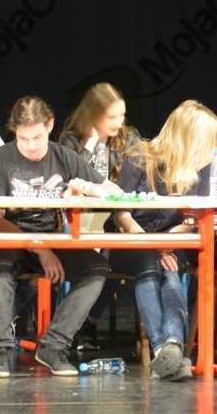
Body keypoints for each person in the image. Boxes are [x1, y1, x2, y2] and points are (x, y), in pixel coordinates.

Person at [0, 96, 110, 378]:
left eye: (37, 137)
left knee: (97, 267)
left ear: (50, 126)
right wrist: (38, 247)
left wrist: (84, 192)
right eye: (23, 138)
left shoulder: (64, 157)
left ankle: (54, 345)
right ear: (14, 132)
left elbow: (110, 190)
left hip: (51, 238)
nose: (31, 146)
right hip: (10, 239)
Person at [112, 100, 217, 381]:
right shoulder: (138, 158)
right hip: (131, 241)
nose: (213, 146)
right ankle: (166, 351)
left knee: (171, 271)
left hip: (173, 241)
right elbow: (120, 214)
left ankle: (170, 346)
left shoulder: (201, 168)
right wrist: (150, 243)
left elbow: (195, 218)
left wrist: (166, 241)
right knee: (150, 264)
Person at [58, 82, 141, 350]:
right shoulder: (71, 140)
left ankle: (89, 324)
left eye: (122, 115)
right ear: (93, 114)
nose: (119, 123)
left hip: (116, 216)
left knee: (114, 256)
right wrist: (92, 143)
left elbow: (139, 177)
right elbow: (70, 178)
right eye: (111, 116)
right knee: (89, 257)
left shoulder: (130, 139)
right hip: (81, 218)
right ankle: (70, 326)